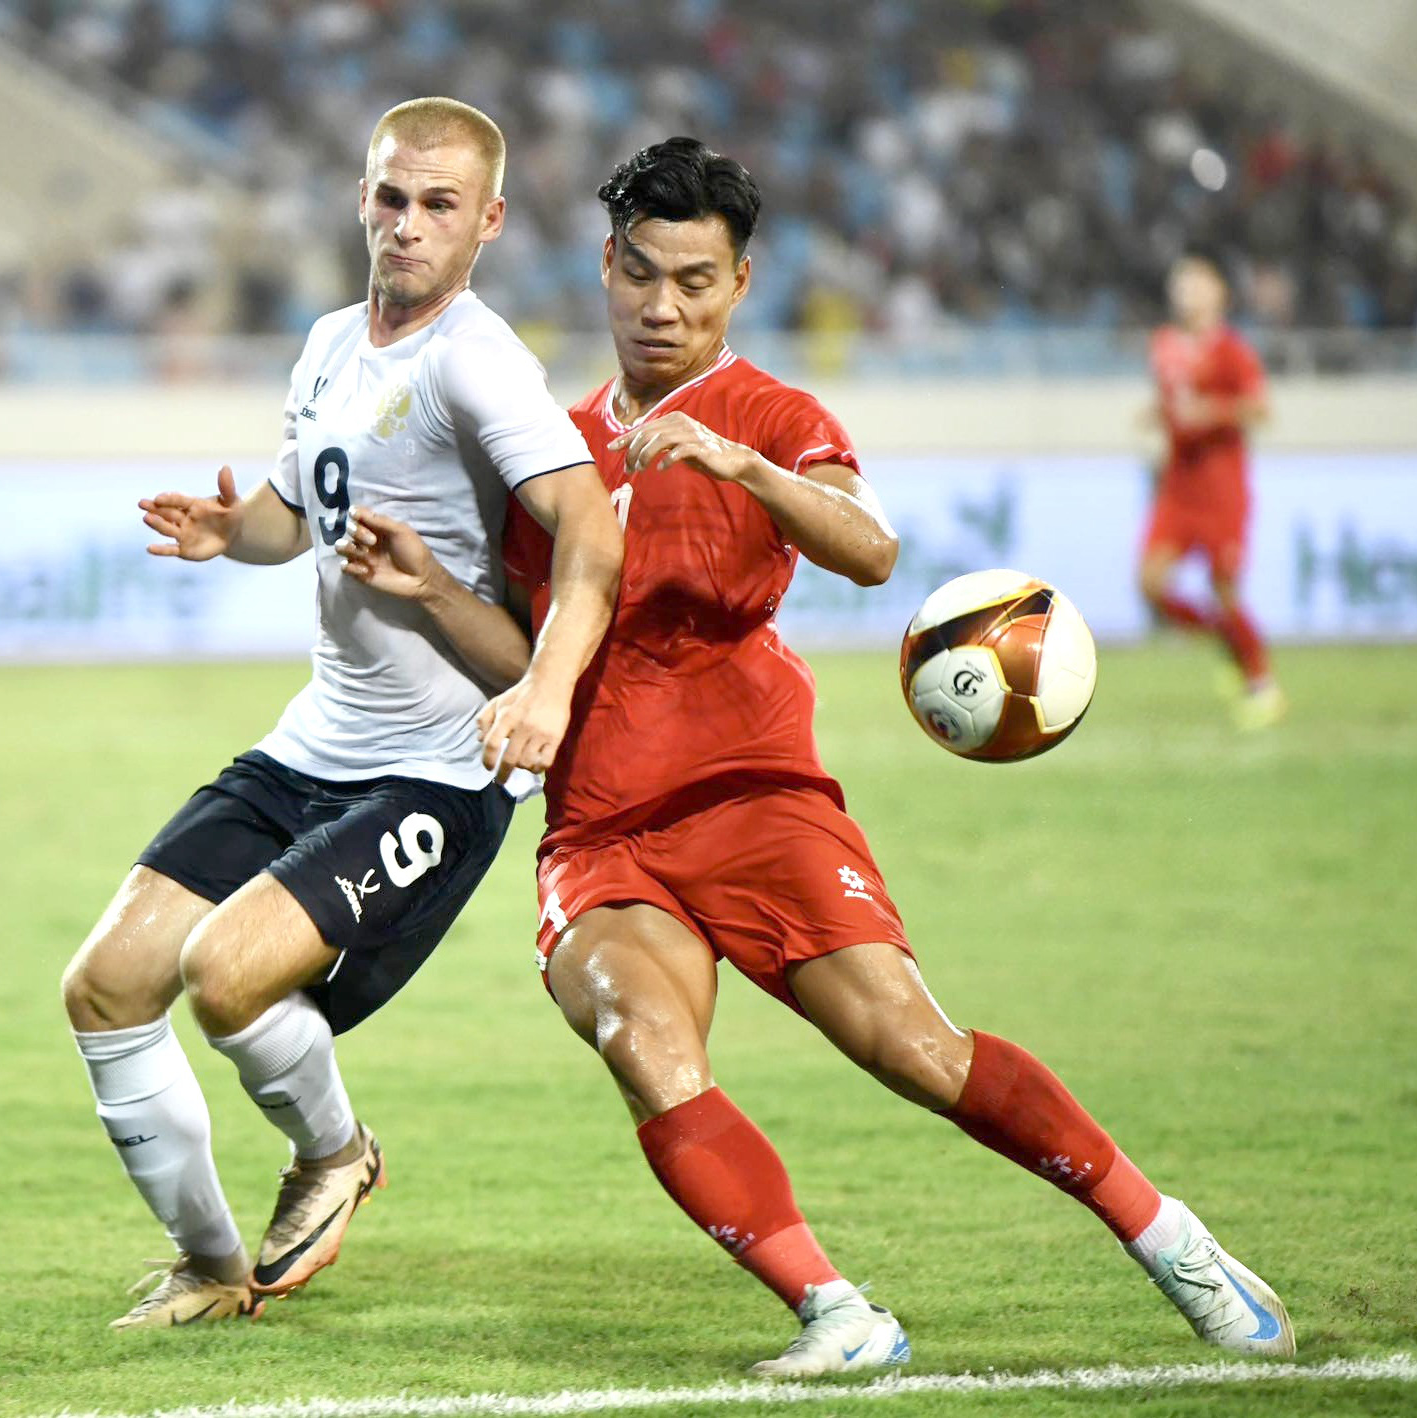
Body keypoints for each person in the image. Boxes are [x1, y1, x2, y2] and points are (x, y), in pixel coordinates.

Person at [337, 138, 1294, 1377]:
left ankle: (1167, 1236)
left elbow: (870, 548)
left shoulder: (774, 415)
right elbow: (529, 651)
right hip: (600, 828)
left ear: (741, 283)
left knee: (914, 1048)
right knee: (640, 1037)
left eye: (693, 279)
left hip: (756, 800)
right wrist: (425, 590)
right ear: (603, 267)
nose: (661, 305)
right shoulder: (550, 447)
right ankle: (837, 1312)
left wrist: (743, 467)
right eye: (639, 273)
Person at [59, 97, 621, 1330]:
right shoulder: (326, 343)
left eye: (437, 206)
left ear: (488, 223)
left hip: (434, 770)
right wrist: (232, 535)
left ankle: (335, 1150)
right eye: (389, 197)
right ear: (361, 195)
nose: (406, 226)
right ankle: (210, 1267)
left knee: (228, 976)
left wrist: (546, 686)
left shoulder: (476, 358)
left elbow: (590, 528)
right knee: (103, 985)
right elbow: (289, 509)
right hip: (314, 742)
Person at [1139, 254, 1282, 729]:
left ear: (1220, 292)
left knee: (1224, 590)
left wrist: (1213, 411)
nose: (1186, 289)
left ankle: (1261, 682)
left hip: (1222, 487)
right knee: (1151, 585)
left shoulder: (1233, 350)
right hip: (1178, 485)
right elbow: (1173, 404)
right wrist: (1158, 415)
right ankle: (1228, 642)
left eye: (1197, 281)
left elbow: (1261, 410)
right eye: (1181, 281)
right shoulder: (1163, 345)